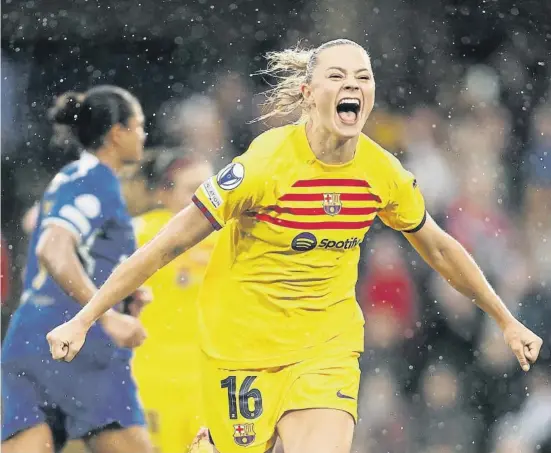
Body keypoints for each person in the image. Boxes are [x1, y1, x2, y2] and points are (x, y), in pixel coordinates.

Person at [46, 39, 543, 453]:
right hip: (240, 352)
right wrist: (85, 317)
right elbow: (165, 246)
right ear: (308, 95)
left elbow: (438, 248)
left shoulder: (380, 172)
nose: (353, 85)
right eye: (338, 76)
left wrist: (505, 319)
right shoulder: (262, 168)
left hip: (324, 347)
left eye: (363, 77)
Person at [2, 85, 154, 453]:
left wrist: (122, 291)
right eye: (138, 125)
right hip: (77, 344)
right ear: (117, 133)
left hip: (27, 339)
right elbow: (52, 248)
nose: (144, 135)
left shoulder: (67, 176)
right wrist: (104, 316)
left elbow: (33, 222)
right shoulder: (98, 180)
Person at [130, 151, 217, 452]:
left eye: (211, 187)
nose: (205, 197)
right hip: (154, 377)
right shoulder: (141, 232)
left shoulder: (230, 234)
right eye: (193, 189)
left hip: (207, 379)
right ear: (163, 193)